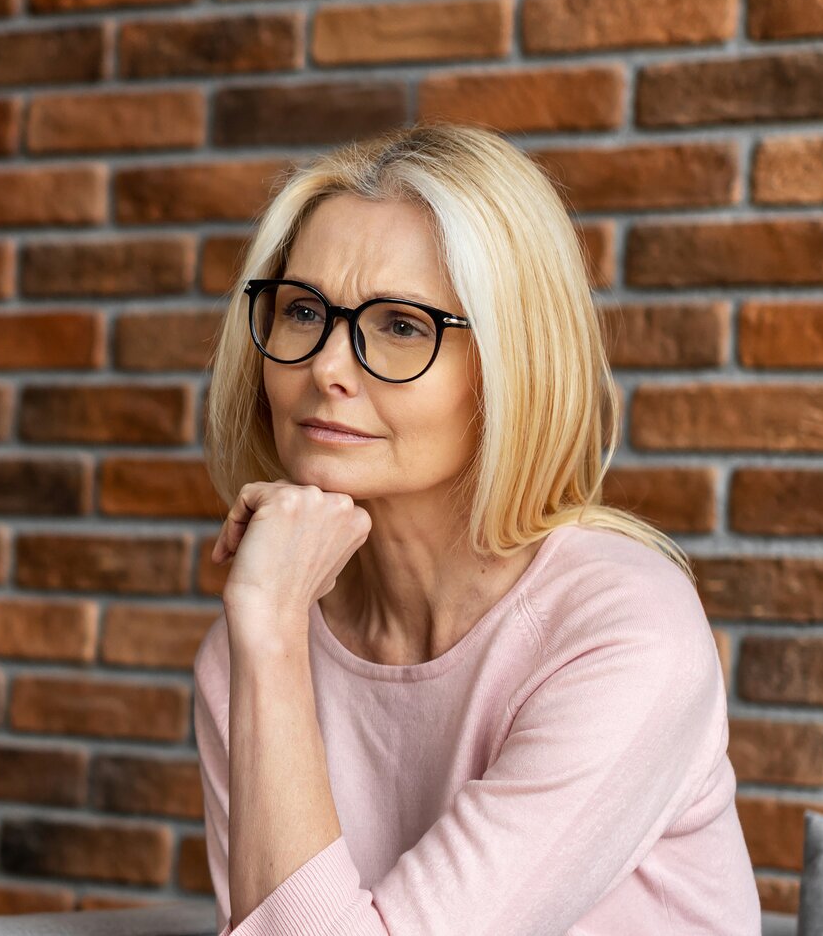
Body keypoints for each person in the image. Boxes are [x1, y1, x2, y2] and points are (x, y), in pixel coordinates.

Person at [193, 125, 755, 934]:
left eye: (401, 325)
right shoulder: (256, 641)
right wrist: (270, 635)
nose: (325, 367)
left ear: (508, 363)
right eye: (303, 310)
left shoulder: (622, 633)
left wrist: (271, 635)